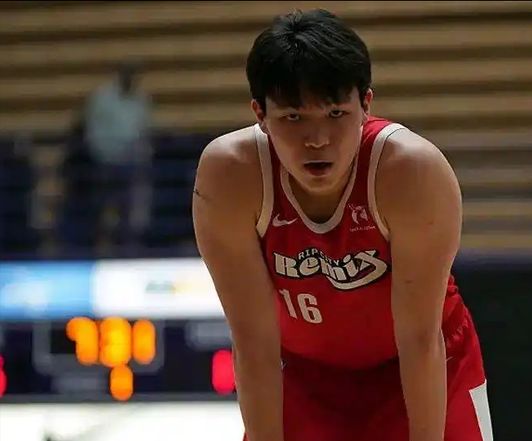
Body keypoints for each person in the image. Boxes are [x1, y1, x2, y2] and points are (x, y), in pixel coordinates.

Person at [193, 9, 493, 441]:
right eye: (293, 117)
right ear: (259, 113)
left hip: (425, 361)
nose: (317, 139)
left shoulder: (411, 172)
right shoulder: (230, 176)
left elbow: (419, 340)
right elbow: (254, 344)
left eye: (335, 114)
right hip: (302, 377)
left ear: (366, 105)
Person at [83, 60, 152, 250]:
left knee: (128, 207)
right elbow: (93, 130)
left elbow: (144, 130)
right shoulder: (102, 98)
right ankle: (99, 245)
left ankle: (126, 246)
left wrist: (140, 154)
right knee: (102, 205)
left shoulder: (141, 99)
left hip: (131, 162)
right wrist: (105, 153)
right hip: (106, 161)